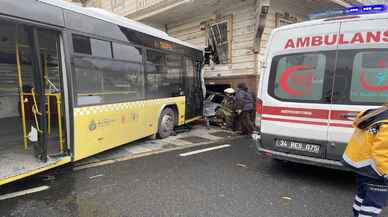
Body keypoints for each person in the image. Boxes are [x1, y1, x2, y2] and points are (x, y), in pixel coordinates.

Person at [342, 104, 388, 217]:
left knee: (362, 196)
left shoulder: (374, 112)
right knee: (373, 204)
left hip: (361, 165)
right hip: (376, 170)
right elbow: (381, 153)